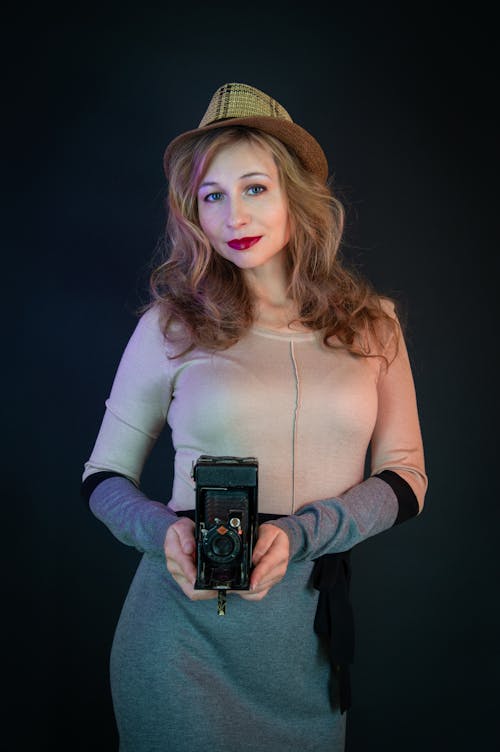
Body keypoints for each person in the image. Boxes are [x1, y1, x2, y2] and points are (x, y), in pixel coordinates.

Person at [82, 82, 427, 752]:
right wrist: (162, 533)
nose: (233, 214)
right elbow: (103, 477)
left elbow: (407, 477)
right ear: (194, 214)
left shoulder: (373, 326)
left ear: (294, 193)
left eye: (254, 188)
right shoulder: (171, 327)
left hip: (305, 649)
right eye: (212, 196)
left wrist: (303, 534)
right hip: (180, 636)